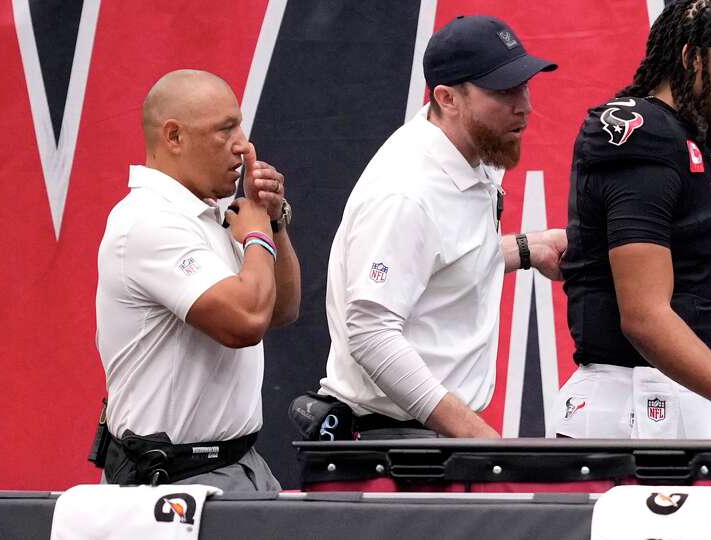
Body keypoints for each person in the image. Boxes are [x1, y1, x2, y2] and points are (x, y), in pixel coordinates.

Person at [554, 0, 711, 440]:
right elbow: (644, 315)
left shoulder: (686, 137)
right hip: (635, 406)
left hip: (672, 398)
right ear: (692, 57)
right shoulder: (644, 133)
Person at [316, 15, 564, 439]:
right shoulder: (406, 192)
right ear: (448, 98)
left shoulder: (467, 147)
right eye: (503, 91)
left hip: (423, 440)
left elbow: (438, 259)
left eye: (523, 84)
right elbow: (371, 332)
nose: (524, 105)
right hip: (394, 447)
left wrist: (529, 248)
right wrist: (477, 437)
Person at [94, 69, 301, 490]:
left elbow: (280, 309)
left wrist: (274, 222)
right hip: (171, 483)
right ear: (174, 137)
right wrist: (259, 233)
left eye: (240, 125)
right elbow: (245, 321)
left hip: (241, 464)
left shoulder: (208, 213)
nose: (243, 145)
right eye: (225, 130)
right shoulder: (148, 221)